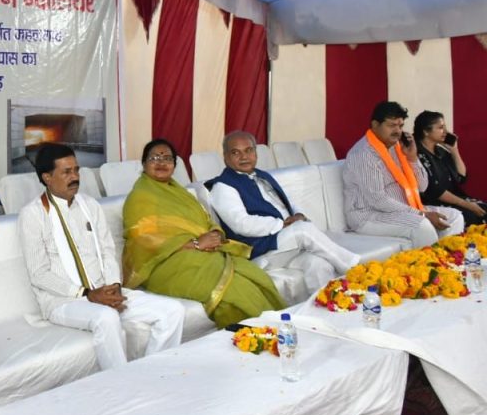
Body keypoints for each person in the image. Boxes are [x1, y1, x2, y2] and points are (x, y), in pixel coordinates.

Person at [17, 143, 185, 370]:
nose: (75, 177)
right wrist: (86, 294)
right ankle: (120, 382)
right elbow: (39, 274)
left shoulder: (89, 205)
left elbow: (107, 250)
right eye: (66, 172)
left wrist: (114, 286)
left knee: (173, 311)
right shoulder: (33, 214)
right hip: (63, 301)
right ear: (47, 177)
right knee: (106, 317)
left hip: (104, 291)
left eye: (76, 170)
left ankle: (152, 374)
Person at [122, 139, 285, 329]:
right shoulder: (140, 197)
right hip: (166, 264)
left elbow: (205, 220)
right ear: (144, 163)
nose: (161, 163)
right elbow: (143, 242)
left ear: (174, 164)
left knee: (256, 277)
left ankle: (278, 330)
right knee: (234, 290)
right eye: (155, 158)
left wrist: (215, 234)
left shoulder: (178, 191)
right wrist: (197, 244)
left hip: (203, 254)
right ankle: (254, 336)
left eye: (167, 158)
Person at [207, 131, 360, 292]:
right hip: (257, 251)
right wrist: (282, 224)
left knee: (319, 265)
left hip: (284, 247)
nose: (244, 157)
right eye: (235, 153)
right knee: (302, 231)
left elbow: (287, 204)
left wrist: (298, 215)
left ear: (255, 153)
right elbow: (241, 224)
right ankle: (355, 270)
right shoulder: (223, 186)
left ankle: (330, 304)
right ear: (225, 157)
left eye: (248, 150)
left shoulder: (262, 176)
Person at [343, 101, 463, 248]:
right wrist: (422, 214)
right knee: (422, 225)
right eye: (392, 125)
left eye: (400, 126)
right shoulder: (364, 154)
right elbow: (378, 200)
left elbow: (423, 187)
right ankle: (430, 261)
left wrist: (413, 158)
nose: (397, 131)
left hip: (403, 209)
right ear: (375, 125)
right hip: (370, 216)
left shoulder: (399, 147)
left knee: (455, 217)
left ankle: (447, 258)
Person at [413, 110, 486, 226]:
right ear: (426, 131)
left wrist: (454, 150)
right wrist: (467, 205)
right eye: (441, 128)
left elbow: (461, 177)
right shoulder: (417, 154)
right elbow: (434, 190)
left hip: (457, 199)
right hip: (435, 203)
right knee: (471, 215)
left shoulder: (441, 151)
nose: (446, 132)